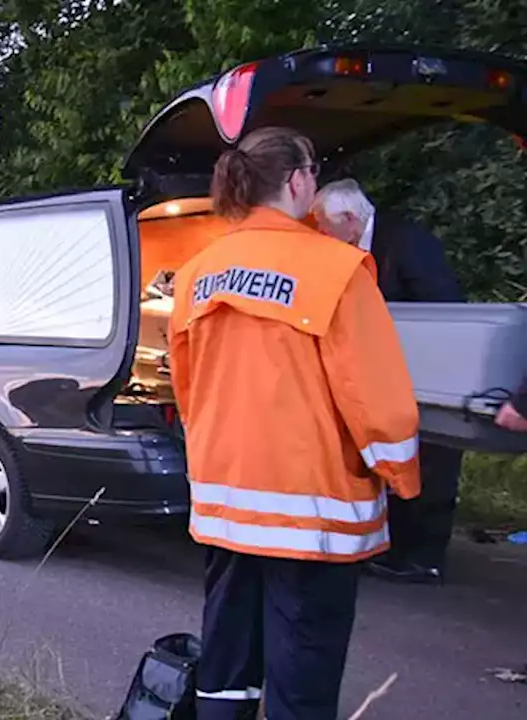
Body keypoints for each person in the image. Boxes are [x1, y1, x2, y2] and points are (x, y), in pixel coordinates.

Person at [168, 126, 422, 720]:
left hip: (225, 509)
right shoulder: (337, 269)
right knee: (301, 681)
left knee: (227, 671)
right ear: (297, 180)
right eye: (314, 168)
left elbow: (188, 390)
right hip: (312, 515)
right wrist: (402, 480)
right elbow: (379, 403)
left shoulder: (197, 274)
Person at [312, 179, 467, 585]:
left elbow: (445, 310)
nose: (323, 235)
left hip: (428, 368)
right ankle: (395, 546)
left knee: (432, 460)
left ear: (349, 218)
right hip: (384, 369)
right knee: (392, 455)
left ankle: (424, 557)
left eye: (326, 226)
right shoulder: (358, 245)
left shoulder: (408, 243)